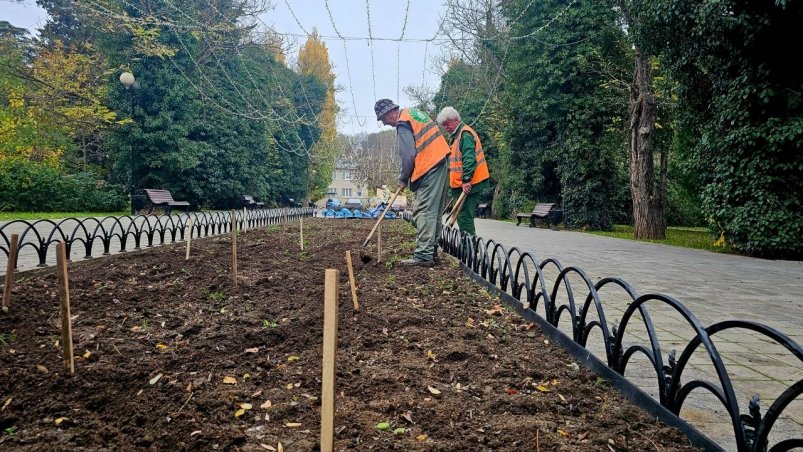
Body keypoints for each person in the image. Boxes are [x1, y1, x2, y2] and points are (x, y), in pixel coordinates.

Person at [374, 98, 450, 266]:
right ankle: (431, 251)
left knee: (423, 211)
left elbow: (408, 155)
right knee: (434, 212)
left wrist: (403, 179)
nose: (384, 123)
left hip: (430, 166)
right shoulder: (413, 113)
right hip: (441, 162)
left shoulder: (403, 123)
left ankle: (424, 255)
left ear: (389, 112)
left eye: (383, 119)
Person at [436, 106, 490, 236]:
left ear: (456, 120)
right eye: (443, 125)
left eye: (447, 124)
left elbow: (469, 159)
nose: (445, 127)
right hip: (461, 183)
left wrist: (466, 180)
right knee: (461, 214)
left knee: (464, 215)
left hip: (470, 182)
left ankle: (469, 245)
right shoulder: (456, 136)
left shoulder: (465, 134)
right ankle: (468, 243)